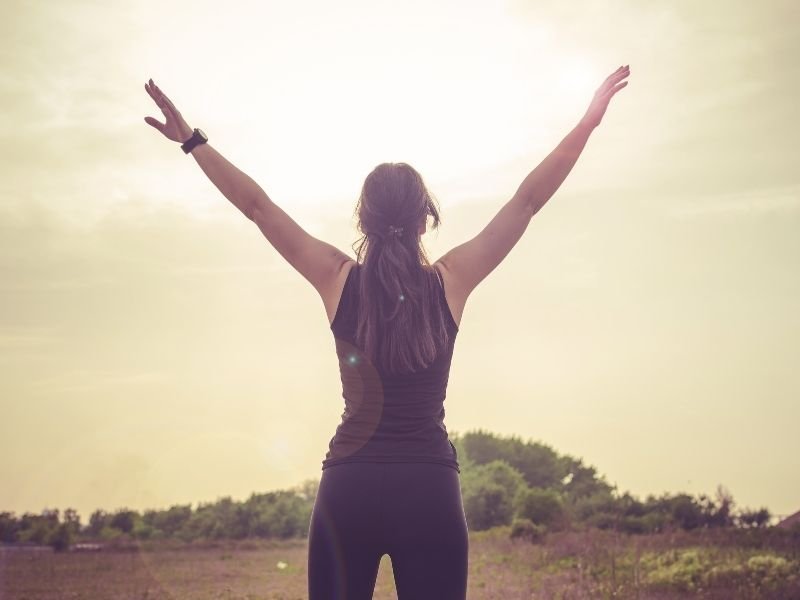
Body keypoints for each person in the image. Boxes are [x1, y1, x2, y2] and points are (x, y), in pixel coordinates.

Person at [144, 63, 630, 599]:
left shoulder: (335, 277)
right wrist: (586, 124)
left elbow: (258, 207)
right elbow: (527, 201)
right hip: (428, 488)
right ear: (426, 218)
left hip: (348, 486)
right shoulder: (452, 281)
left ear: (363, 219)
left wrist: (192, 141)